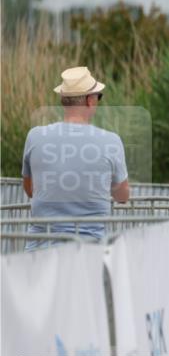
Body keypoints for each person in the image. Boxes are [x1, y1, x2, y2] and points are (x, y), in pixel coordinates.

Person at [21, 66, 129, 249]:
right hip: (89, 251)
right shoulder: (111, 141)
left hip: (39, 253)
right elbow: (122, 196)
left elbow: (30, 190)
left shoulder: (35, 136)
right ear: (90, 101)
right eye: (98, 97)